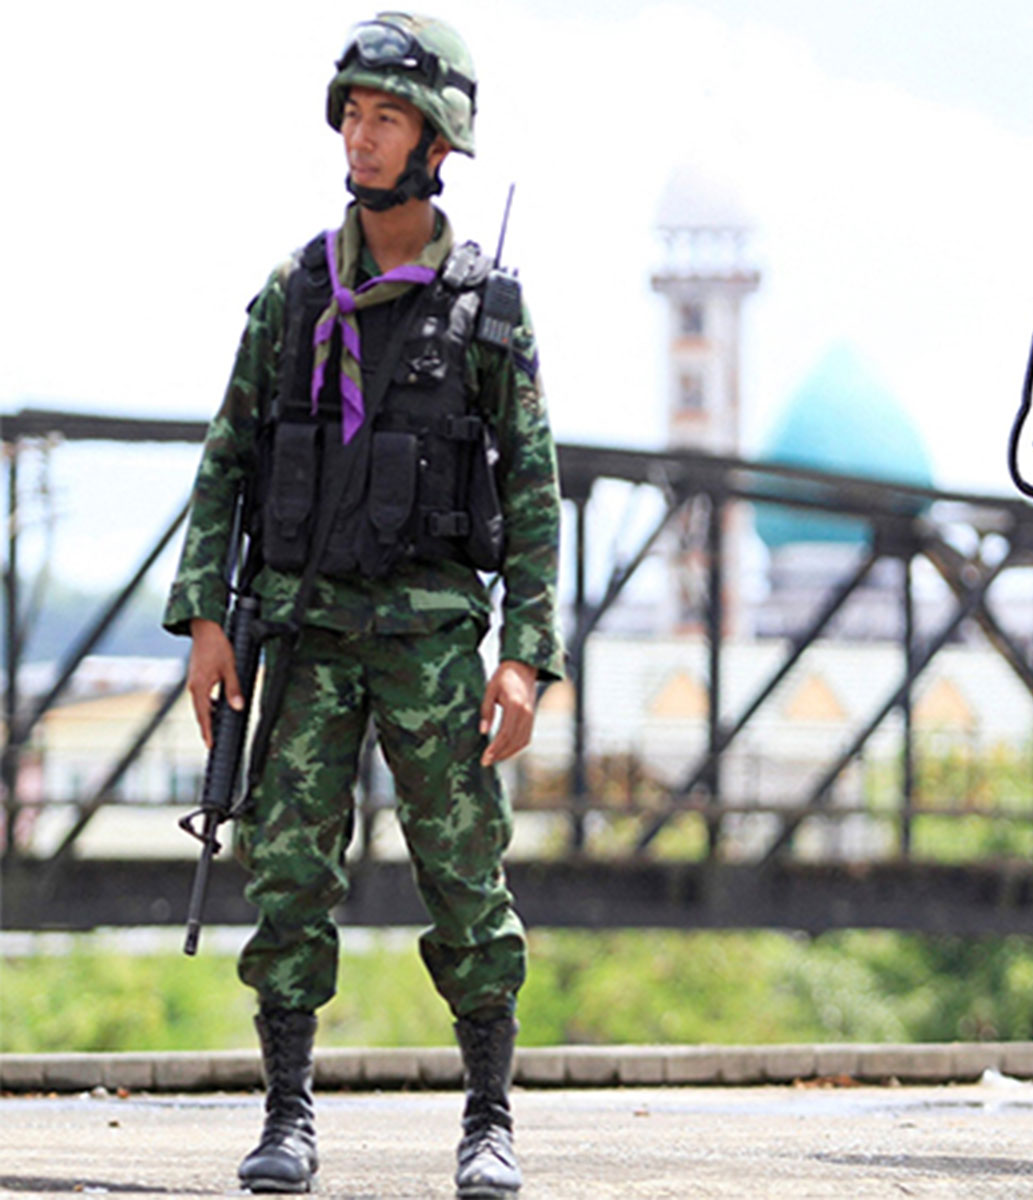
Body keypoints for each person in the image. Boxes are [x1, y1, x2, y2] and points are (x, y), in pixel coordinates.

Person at [164, 13, 563, 1196]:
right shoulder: (292, 293)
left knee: (464, 877)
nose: (363, 134)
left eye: (387, 116)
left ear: (438, 140)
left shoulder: (486, 310)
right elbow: (226, 459)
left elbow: (532, 494)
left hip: (434, 634)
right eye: (353, 112)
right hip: (302, 625)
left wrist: (526, 658)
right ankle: (287, 1117)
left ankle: (488, 1119)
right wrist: (205, 619)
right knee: (287, 873)